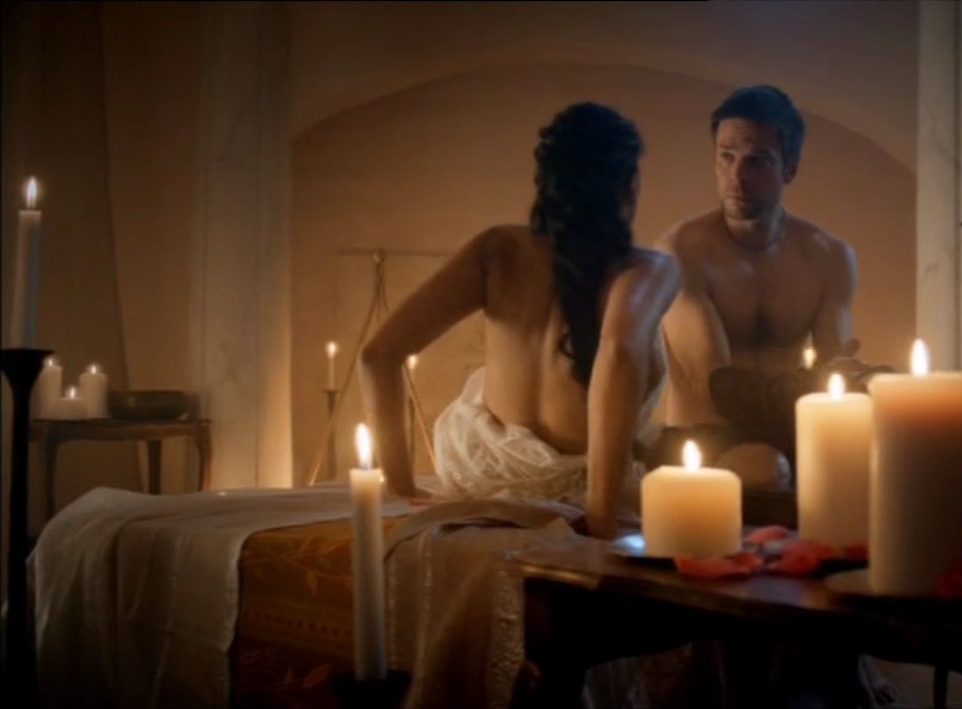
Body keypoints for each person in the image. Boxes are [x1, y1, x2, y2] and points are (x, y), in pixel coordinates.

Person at [360, 102, 680, 540]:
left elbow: (377, 355)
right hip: (579, 496)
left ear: (545, 185)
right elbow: (619, 352)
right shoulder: (649, 269)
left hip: (477, 482)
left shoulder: (497, 249)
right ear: (630, 187)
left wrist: (401, 491)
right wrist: (601, 523)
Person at [655, 85, 886, 488]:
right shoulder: (682, 251)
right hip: (704, 441)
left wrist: (872, 384)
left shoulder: (829, 256)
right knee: (765, 467)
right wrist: (826, 382)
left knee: (887, 459)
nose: (737, 176)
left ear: (789, 169)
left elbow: (835, 382)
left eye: (757, 161)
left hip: (788, 435)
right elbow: (717, 390)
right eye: (726, 156)